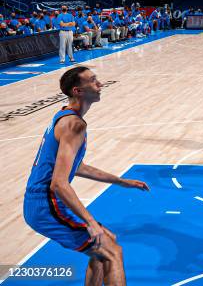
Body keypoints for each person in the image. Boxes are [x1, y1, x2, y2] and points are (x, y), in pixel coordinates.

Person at [23, 67, 149, 286]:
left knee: (105, 245)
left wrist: (121, 182)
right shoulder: (74, 125)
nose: (99, 84)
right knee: (112, 252)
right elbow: (59, 184)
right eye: (93, 81)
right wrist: (90, 221)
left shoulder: (65, 115)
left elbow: (77, 167)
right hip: (46, 204)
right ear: (78, 91)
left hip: (40, 202)